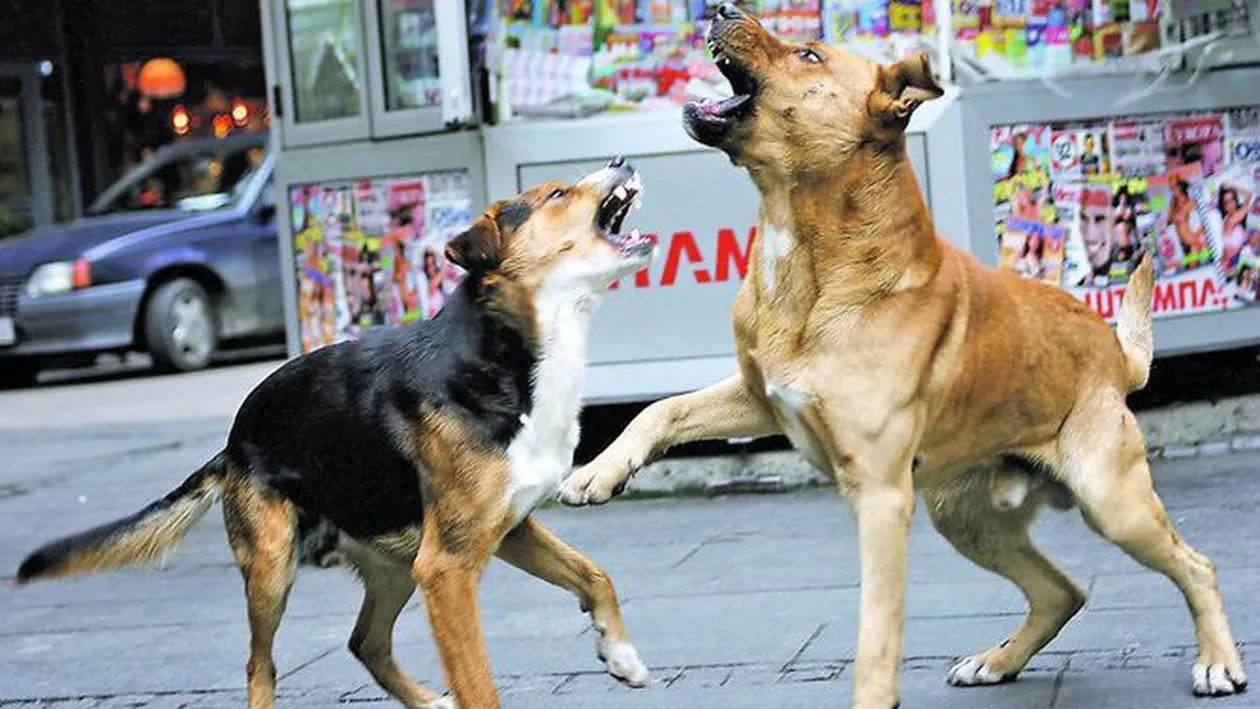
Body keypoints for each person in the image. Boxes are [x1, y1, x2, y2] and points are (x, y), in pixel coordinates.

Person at [1218, 184, 1252, 276]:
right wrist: (1232, 186)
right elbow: (1249, 195)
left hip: (1236, 260)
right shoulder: (1231, 220)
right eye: (1227, 202)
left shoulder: (1227, 219)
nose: (1232, 203)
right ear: (1224, 206)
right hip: (1234, 262)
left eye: (1233, 199)